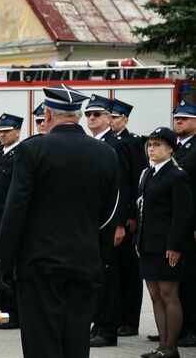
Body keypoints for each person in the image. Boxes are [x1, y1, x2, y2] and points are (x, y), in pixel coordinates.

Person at [0, 84, 119, 358]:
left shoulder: (32, 150)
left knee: (42, 344)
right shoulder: (106, 154)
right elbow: (109, 215)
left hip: (39, 266)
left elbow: (15, 210)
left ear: (49, 114)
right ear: (77, 115)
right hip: (84, 263)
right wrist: (98, 256)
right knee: (76, 342)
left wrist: (4, 261)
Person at [135, 126, 193, 358]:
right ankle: (162, 347)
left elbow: (183, 215)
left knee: (169, 295)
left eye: (158, 144)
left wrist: (175, 246)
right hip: (148, 244)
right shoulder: (147, 174)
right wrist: (138, 240)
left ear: (171, 148)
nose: (152, 148)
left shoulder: (178, 176)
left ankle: (172, 348)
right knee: (155, 296)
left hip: (167, 246)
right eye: (150, 144)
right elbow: (141, 209)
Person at [85, 94, 130, 347]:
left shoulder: (116, 144)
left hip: (111, 222)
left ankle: (108, 328)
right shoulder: (93, 143)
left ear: (108, 118)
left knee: (109, 277)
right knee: (98, 275)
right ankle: (98, 322)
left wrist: (121, 223)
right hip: (95, 220)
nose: (93, 118)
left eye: (98, 114)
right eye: (89, 114)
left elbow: (122, 186)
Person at [110, 98, 147, 338]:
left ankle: (131, 320)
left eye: (115, 117)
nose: (111, 120)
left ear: (125, 119)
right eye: (110, 116)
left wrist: (131, 216)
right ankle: (120, 316)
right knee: (116, 272)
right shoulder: (111, 142)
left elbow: (134, 181)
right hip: (117, 217)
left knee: (129, 272)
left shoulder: (131, 142)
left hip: (127, 218)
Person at [0, 112, 23, 330]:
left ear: (17, 132)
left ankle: (14, 312)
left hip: (7, 218)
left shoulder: (20, 154)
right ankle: (3, 309)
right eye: (1, 131)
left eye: (8, 131)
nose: (3, 135)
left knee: (8, 268)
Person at [172, 100, 196, 348]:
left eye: (185, 118)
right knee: (175, 277)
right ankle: (175, 327)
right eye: (177, 118)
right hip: (173, 223)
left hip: (190, 225)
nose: (179, 121)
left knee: (191, 279)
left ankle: (191, 327)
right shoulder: (173, 149)